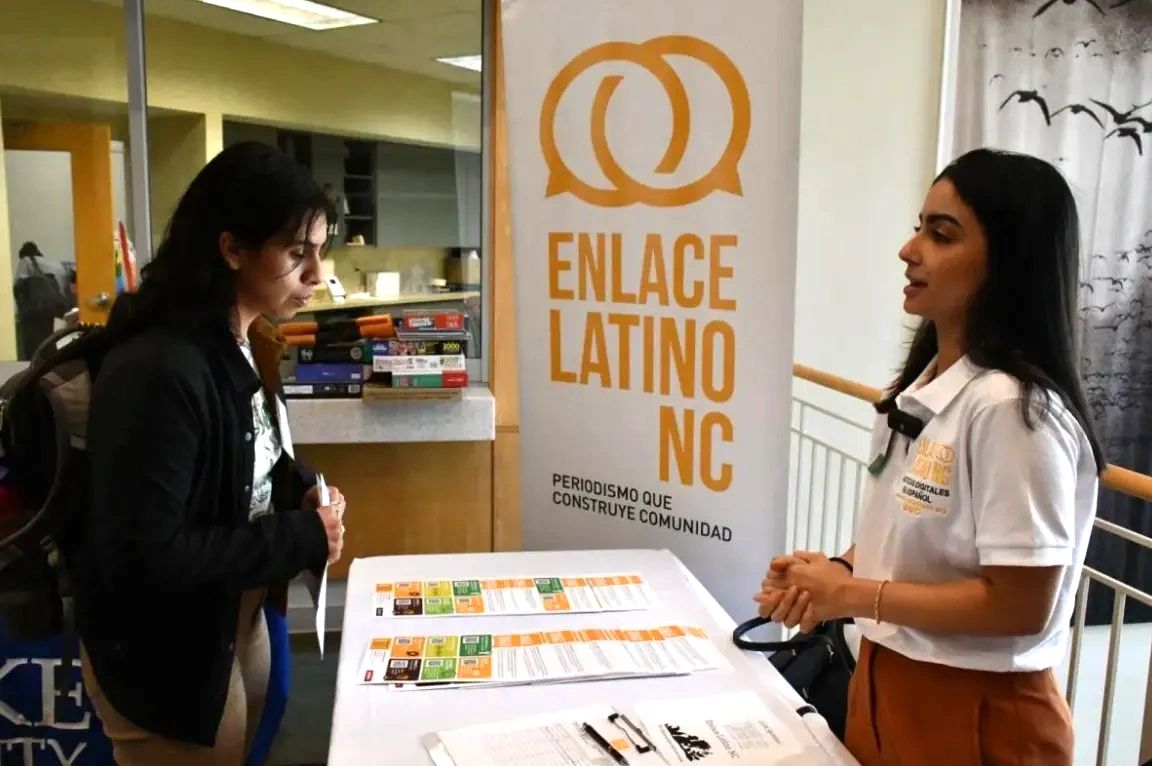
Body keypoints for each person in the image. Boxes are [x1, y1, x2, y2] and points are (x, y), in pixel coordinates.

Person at [754, 148, 1103, 765]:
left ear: (1009, 263)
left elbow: (1021, 604)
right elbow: (915, 538)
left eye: (940, 235)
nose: (909, 249)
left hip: (976, 712)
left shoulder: (1011, 410)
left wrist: (853, 595)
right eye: (920, 227)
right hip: (889, 683)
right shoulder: (927, 393)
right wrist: (833, 573)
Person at [75, 141, 347, 765]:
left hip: (230, 622)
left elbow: (247, 458)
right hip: (165, 653)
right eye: (296, 253)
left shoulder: (241, 343)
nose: (315, 276)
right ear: (231, 249)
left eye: (320, 254)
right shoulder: (161, 369)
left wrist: (299, 489)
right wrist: (300, 537)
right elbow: (146, 554)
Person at [12, 240, 72, 359]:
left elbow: (17, 286)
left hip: (34, 313)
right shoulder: (52, 265)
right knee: (48, 342)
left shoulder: (25, 262)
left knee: (33, 346)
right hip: (52, 312)